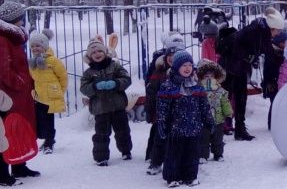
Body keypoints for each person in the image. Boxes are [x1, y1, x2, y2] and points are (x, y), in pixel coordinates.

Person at [220, 7, 285, 141]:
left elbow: (270, 53)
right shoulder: (253, 31)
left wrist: (286, 58)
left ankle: (239, 129)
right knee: (225, 96)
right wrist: (248, 57)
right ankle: (219, 128)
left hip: (240, 68)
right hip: (229, 67)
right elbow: (237, 46)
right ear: (272, 27)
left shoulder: (263, 33)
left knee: (241, 98)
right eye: (277, 31)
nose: (278, 34)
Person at [156, 51, 215, 187]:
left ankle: (190, 176)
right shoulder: (168, 86)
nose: (187, 68)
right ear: (176, 67)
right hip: (175, 128)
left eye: (189, 65)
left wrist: (209, 121)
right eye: (184, 65)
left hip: (194, 128)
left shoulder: (196, 86)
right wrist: (162, 123)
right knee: (174, 154)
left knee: (192, 154)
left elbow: (204, 106)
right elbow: (163, 108)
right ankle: (173, 177)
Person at [0, 1, 41, 186]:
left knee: (19, 129)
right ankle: (2, 173)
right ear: (14, 19)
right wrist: (21, 83)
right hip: (8, 96)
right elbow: (4, 70)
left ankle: (19, 165)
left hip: (18, 94)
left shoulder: (13, 37)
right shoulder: (3, 38)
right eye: (21, 17)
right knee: (6, 132)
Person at [80, 37, 133, 166]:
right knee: (101, 135)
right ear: (89, 56)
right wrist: (94, 87)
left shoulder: (115, 66)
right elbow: (83, 88)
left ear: (105, 52)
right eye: (93, 53)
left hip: (118, 107)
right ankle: (101, 157)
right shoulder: (88, 73)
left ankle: (126, 151)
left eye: (99, 51)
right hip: (100, 109)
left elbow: (126, 79)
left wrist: (115, 83)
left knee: (123, 131)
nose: (97, 54)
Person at [144, 43, 183, 175]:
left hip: (180, 114)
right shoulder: (159, 72)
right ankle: (155, 162)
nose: (172, 58)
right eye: (170, 55)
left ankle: (180, 161)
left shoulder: (186, 74)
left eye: (175, 55)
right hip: (161, 113)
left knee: (180, 139)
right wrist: (150, 111)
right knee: (159, 138)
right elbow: (151, 93)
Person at [28, 29, 68, 154]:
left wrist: (60, 91)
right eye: (32, 46)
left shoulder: (53, 61)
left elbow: (63, 76)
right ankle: (47, 140)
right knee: (40, 121)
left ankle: (49, 142)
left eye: (38, 46)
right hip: (39, 97)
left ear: (44, 46)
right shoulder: (33, 63)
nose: (35, 48)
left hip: (51, 96)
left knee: (49, 121)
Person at [196, 59, 233, 162]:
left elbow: (225, 102)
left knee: (218, 139)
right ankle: (203, 155)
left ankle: (218, 154)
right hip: (203, 121)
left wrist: (228, 112)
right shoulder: (198, 90)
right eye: (206, 77)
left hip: (218, 119)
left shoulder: (220, 90)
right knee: (204, 139)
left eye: (211, 77)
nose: (209, 79)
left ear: (216, 78)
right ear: (201, 77)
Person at [261, 29, 287, 130]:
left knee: (278, 103)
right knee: (275, 103)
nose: (286, 43)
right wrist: (269, 83)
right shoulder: (273, 53)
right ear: (279, 43)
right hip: (273, 82)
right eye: (284, 42)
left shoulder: (281, 52)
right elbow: (268, 70)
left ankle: (277, 123)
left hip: (279, 81)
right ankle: (272, 124)